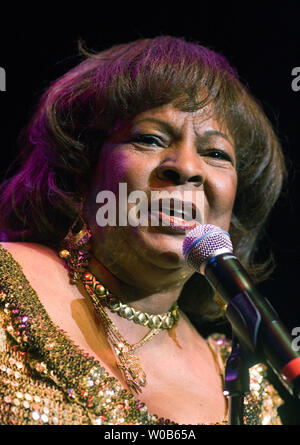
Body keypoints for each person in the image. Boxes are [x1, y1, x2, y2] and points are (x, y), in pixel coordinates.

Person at [0, 35, 286, 425]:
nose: (187, 167)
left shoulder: (244, 388)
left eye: (216, 153)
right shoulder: (6, 288)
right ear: (81, 170)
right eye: (149, 139)